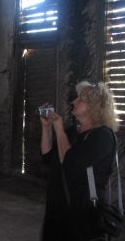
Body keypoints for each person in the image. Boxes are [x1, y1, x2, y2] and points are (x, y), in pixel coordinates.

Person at [40, 81, 119, 241]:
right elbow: (48, 157)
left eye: (80, 99)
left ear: (94, 106)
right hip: (57, 211)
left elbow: (70, 164)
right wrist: (47, 128)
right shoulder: (73, 132)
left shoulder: (103, 137)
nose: (73, 101)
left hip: (82, 216)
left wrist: (59, 128)